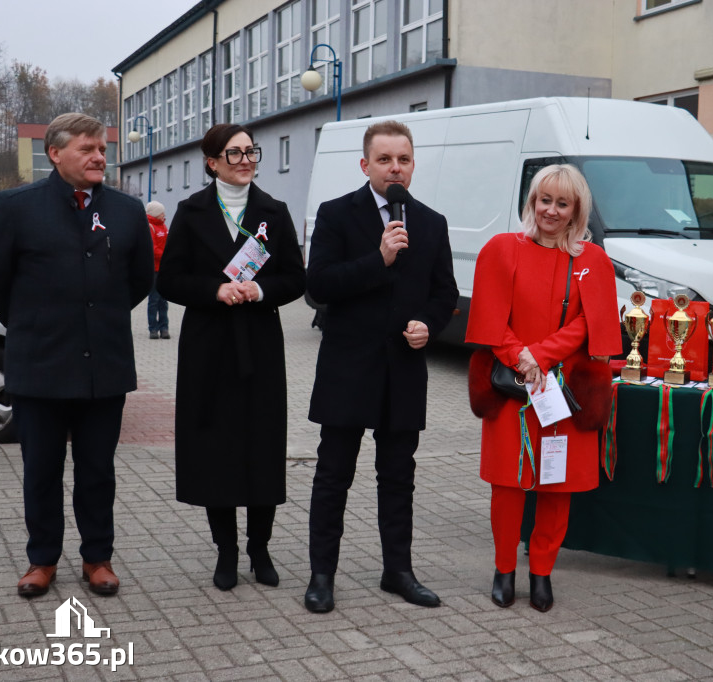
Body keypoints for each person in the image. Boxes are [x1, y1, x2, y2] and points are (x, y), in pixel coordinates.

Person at [0, 113, 154, 598]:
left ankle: (97, 557)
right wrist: (32, 322)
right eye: (87, 149)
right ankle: (41, 560)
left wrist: (98, 314)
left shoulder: (127, 211)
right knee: (42, 470)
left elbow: (138, 281)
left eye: (102, 149)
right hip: (41, 364)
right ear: (55, 153)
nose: (99, 157)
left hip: (105, 366)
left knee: (98, 470)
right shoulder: (16, 207)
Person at [304, 120, 458, 613]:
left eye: (404, 159)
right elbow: (319, 286)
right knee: (334, 476)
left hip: (403, 371)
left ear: (414, 165)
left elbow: (444, 292)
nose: (396, 168)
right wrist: (379, 259)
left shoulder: (431, 222)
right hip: (349, 369)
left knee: (398, 476)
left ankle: (398, 571)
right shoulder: (336, 215)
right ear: (365, 164)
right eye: (386, 159)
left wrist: (429, 326)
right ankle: (322, 575)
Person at [156, 124, 305, 591]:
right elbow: (169, 280)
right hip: (208, 345)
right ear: (212, 161)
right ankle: (226, 551)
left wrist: (260, 289)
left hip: (259, 343)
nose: (245, 159)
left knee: (261, 446)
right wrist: (214, 289)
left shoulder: (273, 213)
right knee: (215, 449)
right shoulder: (191, 211)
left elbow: (295, 279)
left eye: (251, 151)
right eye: (234, 152)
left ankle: (259, 548)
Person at [464, 164, 620, 612]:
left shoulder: (593, 260)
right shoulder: (501, 249)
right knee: (507, 486)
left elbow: (592, 323)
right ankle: (503, 569)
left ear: (576, 211)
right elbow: (492, 319)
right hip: (513, 387)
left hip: (565, 393)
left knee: (557, 486)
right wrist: (522, 359)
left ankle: (543, 572)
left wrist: (543, 355)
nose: (551, 210)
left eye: (562, 203)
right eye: (544, 200)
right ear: (532, 202)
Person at [146, 201, 170, 339]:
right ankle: (153, 329)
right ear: (155, 213)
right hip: (154, 269)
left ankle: (164, 328)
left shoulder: (164, 227)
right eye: (161, 212)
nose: (164, 214)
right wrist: (165, 255)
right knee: (154, 300)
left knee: (164, 301)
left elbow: (168, 243)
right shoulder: (150, 227)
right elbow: (152, 248)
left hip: (164, 268)